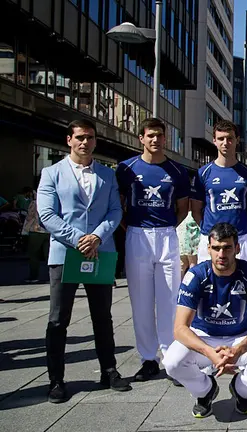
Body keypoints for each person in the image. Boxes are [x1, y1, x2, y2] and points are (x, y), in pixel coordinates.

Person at [37, 119, 130, 403]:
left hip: (99, 252)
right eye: (79, 137)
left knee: (102, 315)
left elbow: (115, 211)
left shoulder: (107, 174)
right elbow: (47, 215)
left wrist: (98, 237)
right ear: (69, 140)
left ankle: (109, 369)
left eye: (89, 137)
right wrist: (80, 238)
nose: (84, 142)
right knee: (57, 319)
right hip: (65, 252)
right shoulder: (51, 173)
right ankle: (56, 379)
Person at [163, 223, 247, 418]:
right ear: (208, 249)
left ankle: (241, 390)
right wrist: (210, 353)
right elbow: (180, 329)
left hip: (239, 338)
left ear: (237, 248)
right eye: (216, 248)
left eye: (227, 248)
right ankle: (205, 391)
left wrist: (237, 350)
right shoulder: (195, 275)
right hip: (205, 337)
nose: (221, 254)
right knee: (172, 362)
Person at [116, 117, 190, 383]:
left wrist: (166, 228)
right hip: (137, 235)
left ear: (165, 138)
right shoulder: (126, 168)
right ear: (141, 138)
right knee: (141, 301)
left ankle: (172, 359)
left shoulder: (178, 171)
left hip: (167, 236)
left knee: (171, 300)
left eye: (160, 135)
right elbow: (119, 205)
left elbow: (182, 208)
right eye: (150, 136)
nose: (155, 140)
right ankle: (148, 359)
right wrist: (131, 229)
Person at [191, 120, 247, 263]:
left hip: (241, 239)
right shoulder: (203, 173)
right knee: (209, 284)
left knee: (242, 283)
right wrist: (207, 230)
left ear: (237, 140)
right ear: (214, 141)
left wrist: (244, 227)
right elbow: (196, 209)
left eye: (229, 138)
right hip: (212, 239)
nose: (225, 143)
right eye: (221, 139)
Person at [22, 188, 49, 283]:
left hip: (36, 230)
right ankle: (52, 277)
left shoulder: (35, 203)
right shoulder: (52, 200)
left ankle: (34, 276)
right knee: (49, 255)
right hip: (50, 230)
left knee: (34, 255)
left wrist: (25, 230)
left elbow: (30, 216)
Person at [177, 211, 200, 275]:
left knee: (182, 264)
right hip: (190, 224)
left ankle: (180, 284)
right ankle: (190, 284)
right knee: (192, 263)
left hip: (182, 223)